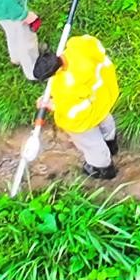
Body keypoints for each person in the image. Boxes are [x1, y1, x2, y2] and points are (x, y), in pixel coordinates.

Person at [37, 28, 122, 180]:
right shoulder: (76, 46)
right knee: (105, 121)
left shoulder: (69, 86)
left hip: (87, 112)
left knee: (91, 143)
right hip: (103, 94)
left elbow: (73, 113)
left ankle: (103, 169)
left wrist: (52, 105)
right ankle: (111, 143)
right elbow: (92, 42)